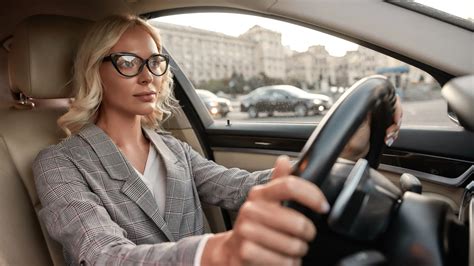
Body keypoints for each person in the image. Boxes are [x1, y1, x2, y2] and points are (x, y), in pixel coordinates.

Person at [33, 15, 401, 266]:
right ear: (94, 69)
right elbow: (105, 256)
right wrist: (217, 251)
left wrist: (344, 150)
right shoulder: (60, 163)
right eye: (128, 62)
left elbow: (237, 186)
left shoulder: (174, 150)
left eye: (155, 62)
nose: (148, 77)